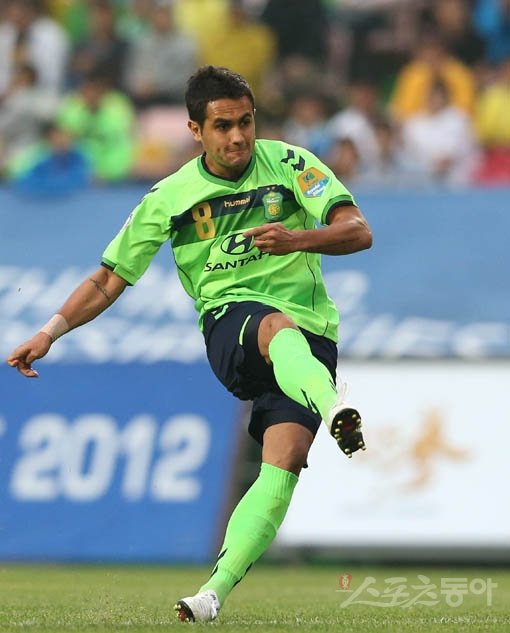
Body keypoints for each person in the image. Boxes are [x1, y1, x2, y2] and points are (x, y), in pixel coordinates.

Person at [6, 66, 372, 622]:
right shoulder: (170, 196)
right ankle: (335, 404)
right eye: (223, 126)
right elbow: (109, 278)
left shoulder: (292, 164)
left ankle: (211, 594)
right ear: (195, 130)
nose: (238, 137)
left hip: (312, 337)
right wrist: (49, 331)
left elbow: (358, 230)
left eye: (246, 122)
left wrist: (297, 238)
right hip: (233, 324)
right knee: (273, 326)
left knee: (285, 462)